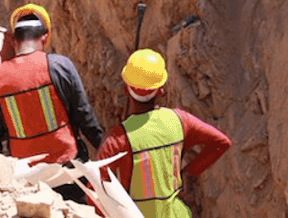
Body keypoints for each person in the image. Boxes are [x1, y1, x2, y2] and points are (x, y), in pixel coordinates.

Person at [0, 4, 104, 204]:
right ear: (45, 38)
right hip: (67, 169)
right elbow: (85, 117)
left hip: (24, 176)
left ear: (12, 41)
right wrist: (107, 152)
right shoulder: (60, 66)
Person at [97, 49, 231, 218]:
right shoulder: (180, 121)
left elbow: (95, 190)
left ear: (126, 89)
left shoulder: (117, 138)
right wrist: (190, 172)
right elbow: (221, 142)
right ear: (160, 90)